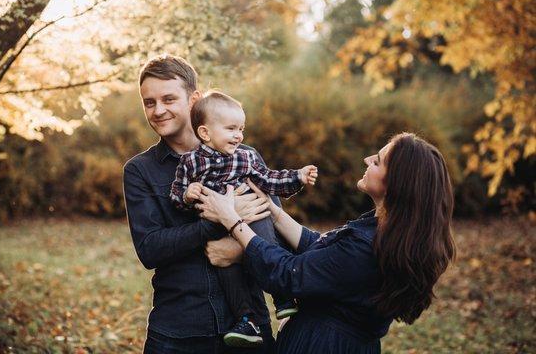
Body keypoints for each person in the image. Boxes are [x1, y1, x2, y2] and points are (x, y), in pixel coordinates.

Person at [196, 132, 457, 353]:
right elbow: (324, 249)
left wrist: (231, 220)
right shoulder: (384, 229)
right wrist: (275, 213)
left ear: (396, 184)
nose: (367, 160)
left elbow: (288, 274)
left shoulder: (366, 247)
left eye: (377, 161)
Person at [123, 54, 278, 353]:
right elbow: (150, 249)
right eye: (149, 102)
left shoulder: (244, 156)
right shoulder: (140, 170)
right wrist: (220, 219)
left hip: (249, 330)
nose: (158, 110)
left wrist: (237, 250)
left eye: (168, 99)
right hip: (178, 331)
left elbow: (273, 231)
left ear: (193, 99)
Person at [170, 91, 318, 347]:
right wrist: (187, 194)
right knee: (227, 270)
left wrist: (297, 177)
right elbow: (176, 195)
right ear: (205, 133)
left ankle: (282, 298)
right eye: (231, 129)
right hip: (218, 229)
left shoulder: (246, 157)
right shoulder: (189, 163)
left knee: (264, 230)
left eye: (241, 129)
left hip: (250, 218)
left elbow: (269, 180)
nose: (239, 135)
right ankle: (246, 320)